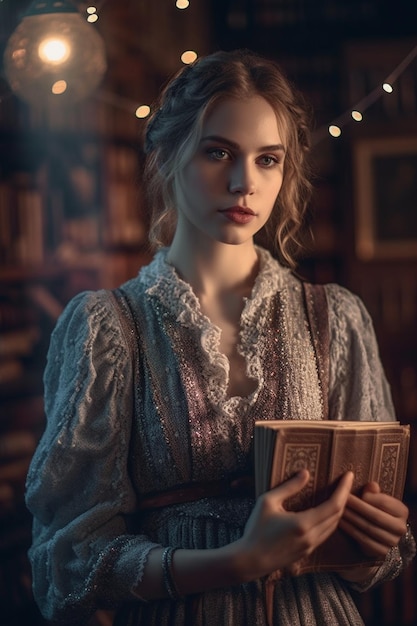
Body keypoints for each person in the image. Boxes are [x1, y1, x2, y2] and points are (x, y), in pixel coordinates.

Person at [26, 49, 415, 626]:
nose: (243, 183)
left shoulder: (337, 317)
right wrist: (234, 561)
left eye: (267, 160)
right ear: (165, 156)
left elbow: (379, 555)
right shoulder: (106, 328)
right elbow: (67, 562)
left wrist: (378, 541)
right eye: (218, 152)